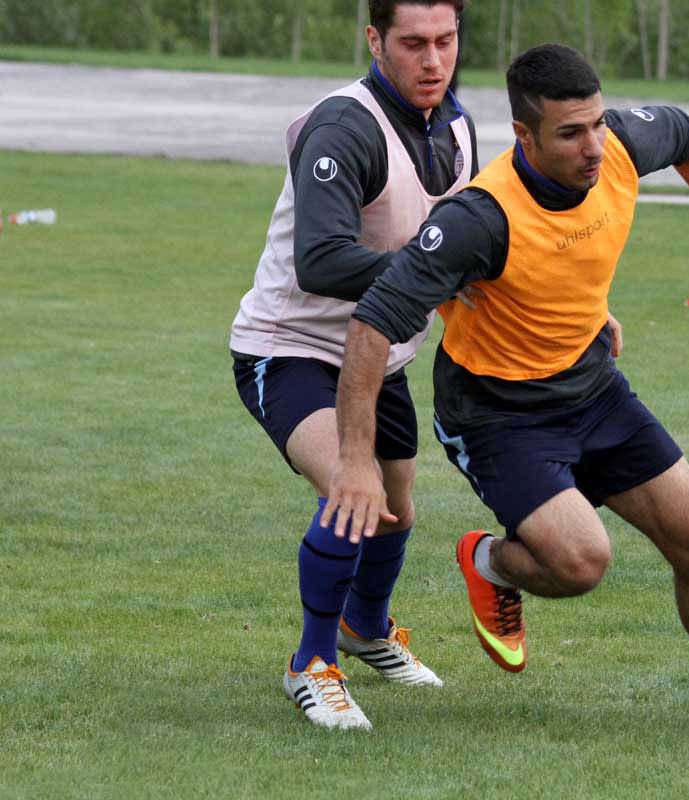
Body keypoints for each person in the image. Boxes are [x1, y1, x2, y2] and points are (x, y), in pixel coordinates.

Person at [324, 43, 689, 744]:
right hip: (496, 413)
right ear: (524, 136)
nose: (593, 147)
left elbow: (688, 136)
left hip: (589, 385)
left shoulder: (616, 146)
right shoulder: (478, 219)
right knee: (581, 563)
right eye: (570, 133)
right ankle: (488, 559)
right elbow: (374, 324)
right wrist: (354, 458)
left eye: (597, 125)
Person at [229, 0, 477, 731]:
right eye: (413, 44)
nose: (432, 60)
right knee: (350, 486)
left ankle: (364, 630)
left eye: (446, 41)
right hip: (292, 346)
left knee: (395, 508)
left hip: (382, 350)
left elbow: (478, 234)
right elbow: (322, 258)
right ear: (375, 40)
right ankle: (311, 663)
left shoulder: (456, 125)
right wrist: (432, 276)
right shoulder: (346, 125)